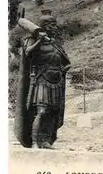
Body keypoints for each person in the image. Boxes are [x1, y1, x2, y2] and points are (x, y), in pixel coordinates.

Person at [15, 9, 71, 149]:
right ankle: (34, 142)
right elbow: (28, 53)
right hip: (41, 80)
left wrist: (63, 70)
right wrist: (39, 40)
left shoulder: (54, 43)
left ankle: (45, 140)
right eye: (51, 25)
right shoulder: (31, 39)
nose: (54, 27)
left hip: (56, 82)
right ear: (44, 26)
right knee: (42, 111)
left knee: (52, 113)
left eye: (54, 24)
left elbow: (67, 62)